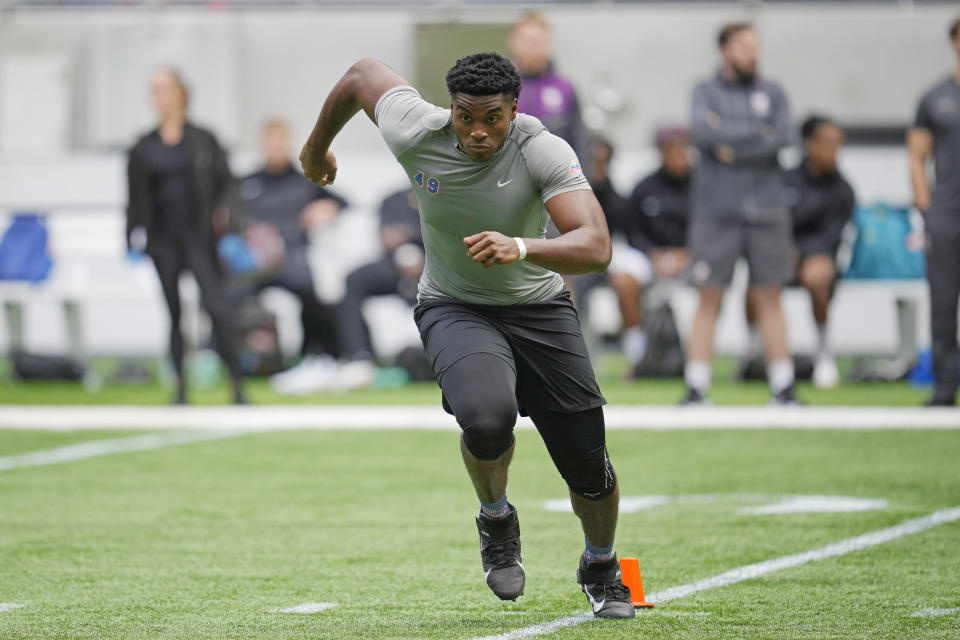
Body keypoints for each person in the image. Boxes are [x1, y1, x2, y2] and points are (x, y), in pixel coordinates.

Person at [299, 53, 634, 618]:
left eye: (493, 118)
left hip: (538, 307)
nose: (478, 131)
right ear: (450, 108)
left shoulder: (542, 148)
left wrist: (523, 246)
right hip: (454, 305)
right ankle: (497, 520)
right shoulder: (415, 127)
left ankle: (600, 564)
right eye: (465, 117)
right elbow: (360, 76)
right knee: (485, 418)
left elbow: (596, 247)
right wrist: (313, 149)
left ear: (514, 109)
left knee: (587, 464)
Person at [684, 23, 799, 405]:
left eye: (756, 47)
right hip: (715, 212)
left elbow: (783, 137)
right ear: (725, 51)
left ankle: (783, 385)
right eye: (744, 47)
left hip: (769, 211)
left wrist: (731, 143)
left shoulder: (775, 92)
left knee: (770, 296)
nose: (753, 53)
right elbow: (703, 133)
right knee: (709, 297)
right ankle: (697, 385)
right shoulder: (704, 91)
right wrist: (756, 138)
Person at [126, 68, 246, 405]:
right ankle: (180, 389)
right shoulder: (143, 146)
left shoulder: (203, 140)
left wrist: (231, 230)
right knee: (175, 314)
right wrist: (131, 239)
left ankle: (237, 386)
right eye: (153, 90)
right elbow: (135, 198)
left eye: (163, 89)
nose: (158, 96)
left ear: (181, 94)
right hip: (163, 240)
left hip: (199, 238)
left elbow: (228, 186)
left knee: (217, 308)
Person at [742, 115, 855, 388]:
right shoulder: (783, 180)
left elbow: (830, 236)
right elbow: (768, 222)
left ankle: (823, 352)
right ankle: (755, 352)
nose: (833, 150)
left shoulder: (842, 190)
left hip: (816, 257)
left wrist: (803, 254)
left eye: (838, 144)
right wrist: (781, 250)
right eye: (827, 143)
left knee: (817, 275)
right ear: (809, 144)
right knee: (757, 281)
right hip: (779, 254)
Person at [232, 119, 346, 389]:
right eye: (271, 141)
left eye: (280, 141)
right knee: (225, 292)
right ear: (263, 145)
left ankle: (314, 355)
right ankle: (222, 357)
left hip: (292, 257)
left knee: (312, 290)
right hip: (254, 260)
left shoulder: (305, 180)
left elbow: (343, 200)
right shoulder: (246, 183)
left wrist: (326, 207)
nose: (276, 147)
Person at [323, 188, 424, 391]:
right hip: (397, 266)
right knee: (355, 280)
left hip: (440, 266)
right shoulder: (395, 198)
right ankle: (359, 357)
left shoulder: (450, 193)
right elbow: (389, 237)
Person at [908, 16, 960, 407]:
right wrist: (926, 208)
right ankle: (944, 386)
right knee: (943, 303)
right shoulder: (934, 98)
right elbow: (916, 157)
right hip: (947, 214)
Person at [618, 127, 692, 374]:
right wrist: (653, 254)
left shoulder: (702, 187)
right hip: (651, 257)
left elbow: (710, 228)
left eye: (685, 149)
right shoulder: (644, 188)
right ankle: (637, 355)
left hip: (690, 258)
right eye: (674, 150)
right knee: (624, 279)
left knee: (716, 279)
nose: (681, 156)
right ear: (662, 152)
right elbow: (632, 231)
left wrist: (687, 253)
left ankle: (696, 358)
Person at [509, 12, 587, 161]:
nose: (532, 48)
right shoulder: (499, 89)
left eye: (537, 42)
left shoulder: (565, 89)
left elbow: (580, 142)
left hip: (554, 179)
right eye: (527, 41)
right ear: (514, 42)